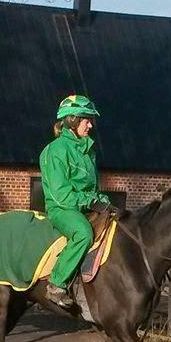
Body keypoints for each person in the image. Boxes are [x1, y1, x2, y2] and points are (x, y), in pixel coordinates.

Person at [39, 95, 118, 308]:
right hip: (63, 208)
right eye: (86, 120)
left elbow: (93, 189)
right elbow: (61, 195)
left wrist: (102, 200)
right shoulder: (55, 150)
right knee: (83, 234)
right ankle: (56, 284)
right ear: (72, 121)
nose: (90, 125)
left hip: (83, 204)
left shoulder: (88, 151)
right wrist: (90, 202)